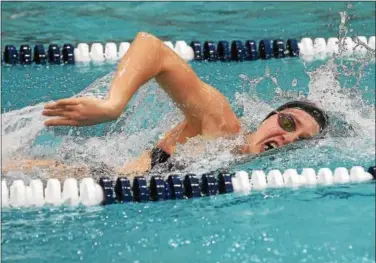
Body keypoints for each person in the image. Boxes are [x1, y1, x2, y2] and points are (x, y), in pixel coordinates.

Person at [3, 32, 328, 179]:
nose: (288, 138)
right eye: (288, 124)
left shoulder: (246, 171)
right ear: (270, 117)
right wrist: (113, 105)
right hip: (71, 178)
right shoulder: (222, 125)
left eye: (301, 141)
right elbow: (153, 48)